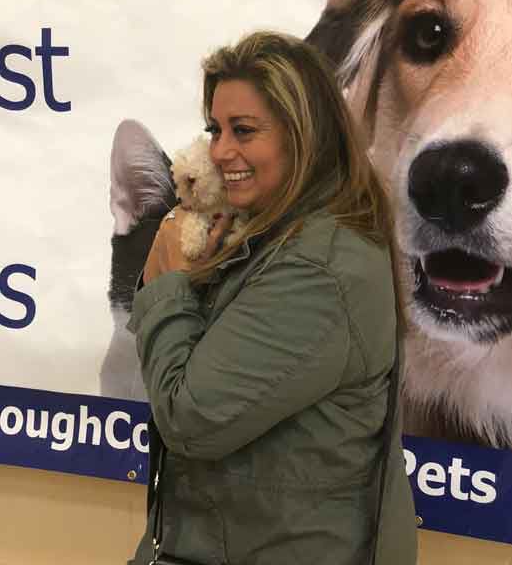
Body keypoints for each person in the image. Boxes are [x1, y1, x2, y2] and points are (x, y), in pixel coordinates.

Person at [128, 31, 417, 564]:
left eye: (244, 131)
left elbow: (191, 418)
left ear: (302, 137)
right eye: (215, 130)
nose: (220, 152)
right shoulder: (273, 236)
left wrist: (169, 279)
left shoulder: (319, 267)